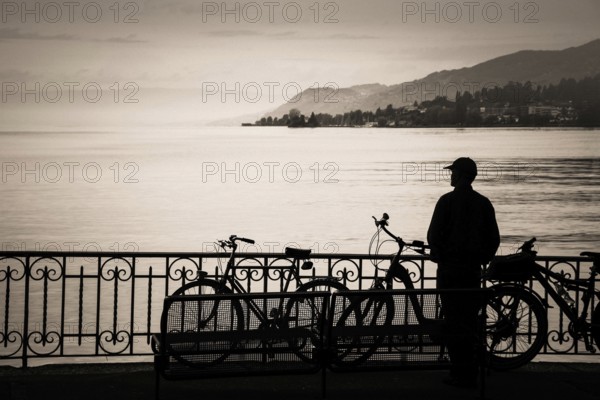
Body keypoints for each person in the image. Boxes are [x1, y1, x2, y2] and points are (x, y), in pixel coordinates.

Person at [427, 157, 500, 388]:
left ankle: (458, 370)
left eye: (453, 172)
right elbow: (494, 239)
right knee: (468, 321)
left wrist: (439, 253)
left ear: (459, 175)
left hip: (449, 272)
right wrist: (482, 260)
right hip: (471, 272)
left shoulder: (446, 202)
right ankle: (470, 371)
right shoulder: (483, 203)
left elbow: (432, 235)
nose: (450, 175)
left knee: (452, 321)